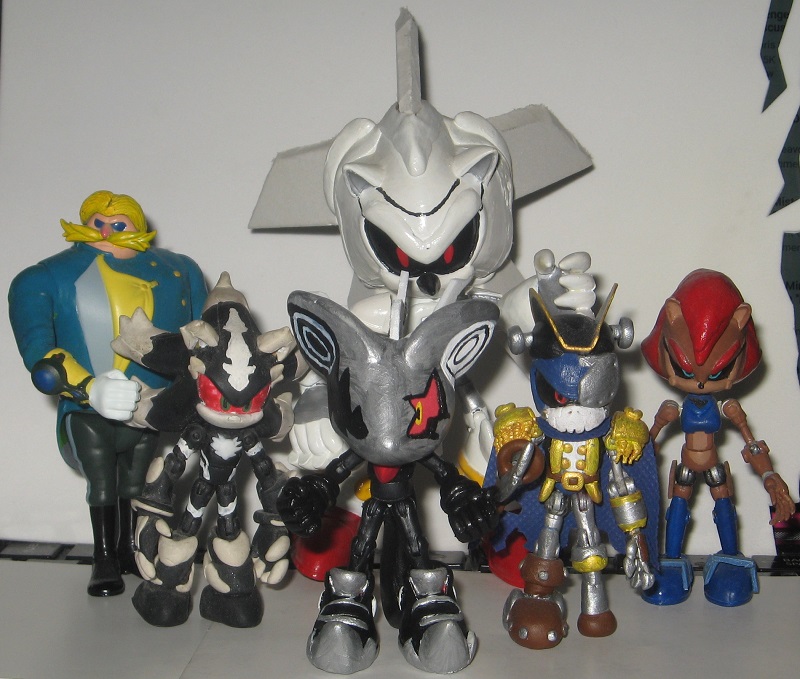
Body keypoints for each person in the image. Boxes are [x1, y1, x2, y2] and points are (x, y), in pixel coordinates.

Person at [8, 190, 206, 596]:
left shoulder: (179, 270)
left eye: (118, 225)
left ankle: (128, 550)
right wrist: (89, 387)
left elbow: (202, 335)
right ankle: (103, 558)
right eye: (98, 223)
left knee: (135, 483)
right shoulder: (45, 277)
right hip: (88, 410)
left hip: (149, 407)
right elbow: (40, 353)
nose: (106, 232)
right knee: (101, 483)